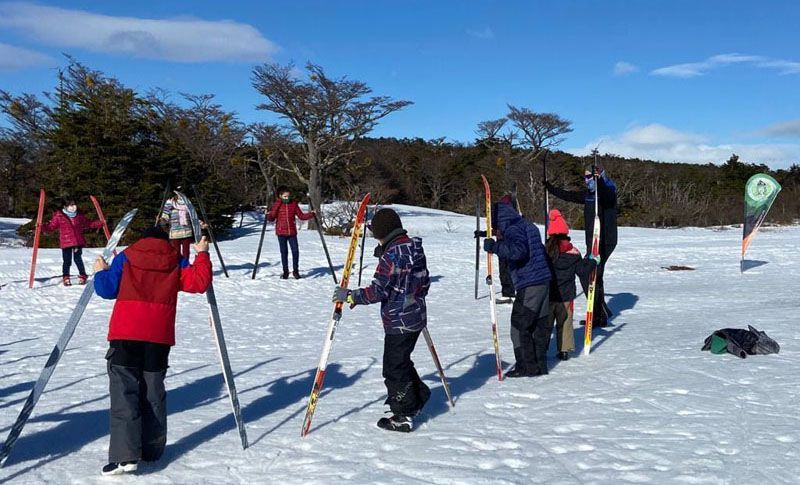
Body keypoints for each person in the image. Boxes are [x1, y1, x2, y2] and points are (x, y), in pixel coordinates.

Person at [93, 226, 212, 476]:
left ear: (142, 239)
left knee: (125, 393)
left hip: (125, 333)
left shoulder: (126, 256)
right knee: (153, 391)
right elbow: (198, 283)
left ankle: (125, 457)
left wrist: (99, 272)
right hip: (158, 336)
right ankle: (152, 449)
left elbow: (106, 289)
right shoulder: (174, 258)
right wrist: (202, 254)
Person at [332, 208, 431, 432]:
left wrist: (351, 296)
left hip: (399, 321)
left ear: (383, 233)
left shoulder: (391, 256)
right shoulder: (414, 247)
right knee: (402, 361)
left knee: (394, 368)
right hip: (416, 316)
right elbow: (424, 281)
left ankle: (403, 414)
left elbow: (378, 291)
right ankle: (419, 395)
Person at [483, 198, 551, 377]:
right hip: (543, 281)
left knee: (520, 326)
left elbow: (518, 251)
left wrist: (495, 247)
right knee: (539, 325)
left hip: (529, 282)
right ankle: (539, 364)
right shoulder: (525, 224)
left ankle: (526, 366)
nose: (494, 231)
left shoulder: (512, 229)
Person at [545, 164, 617, 327]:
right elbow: (569, 195)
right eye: (585, 178)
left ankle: (600, 314)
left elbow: (606, 193)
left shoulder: (608, 192)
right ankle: (600, 312)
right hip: (591, 242)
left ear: (598, 177)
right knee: (595, 276)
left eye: (589, 177)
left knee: (589, 274)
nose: (587, 181)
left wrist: (600, 179)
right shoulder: (589, 195)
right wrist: (551, 188)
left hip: (605, 241)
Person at [544, 209, 598, 361]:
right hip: (566, 296)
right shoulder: (573, 252)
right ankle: (564, 350)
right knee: (566, 323)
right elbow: (582, 271)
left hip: (548, 295)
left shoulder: (545, 251)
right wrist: (593, 261)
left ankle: (541, 348)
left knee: (545, 324)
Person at [42, 197, 104, 286]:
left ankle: (83, 275)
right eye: (71, 205)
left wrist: (100, 223)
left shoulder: (79, 215)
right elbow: (51, 227)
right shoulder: (59, 215)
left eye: (74, 204)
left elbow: (89, 223)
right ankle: (66, 277)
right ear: (65, 206)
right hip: (66, 242)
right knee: (67, 261)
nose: (73, 207)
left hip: (77, 242)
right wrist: (42, 227)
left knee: (78, 259)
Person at [474, 195, 516, 301]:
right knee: (506, 270)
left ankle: (509, 293)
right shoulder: (506, 215)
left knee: (507, 270)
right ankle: (508, 292)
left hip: (507, 245)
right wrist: (483, 233)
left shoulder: (505, 216)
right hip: (504, 245)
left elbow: (501, 230)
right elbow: (496, 230)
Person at [267, 188, 315, 279]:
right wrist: (267, 214)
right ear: (280, 196)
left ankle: (295, 271)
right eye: (285, 196)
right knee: (284, 253)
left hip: (292, 232)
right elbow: (271, 218)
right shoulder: (277, 204)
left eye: (288, 196)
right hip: (281, 232)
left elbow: (301, 216)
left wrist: (311, 214)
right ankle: (285, 272)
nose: (287, 198)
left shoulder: (293, 204)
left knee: (295, 251)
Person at [159, 192, 195, 259]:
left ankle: (185, 267)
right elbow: (165, 215)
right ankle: (177, 267)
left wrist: (201, 224)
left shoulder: (186, 202)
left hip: (186, 232)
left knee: (186, 252)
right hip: (175, 233)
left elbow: (193, 217)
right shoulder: (169, 203)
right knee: (176, 252)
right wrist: (162, 220)